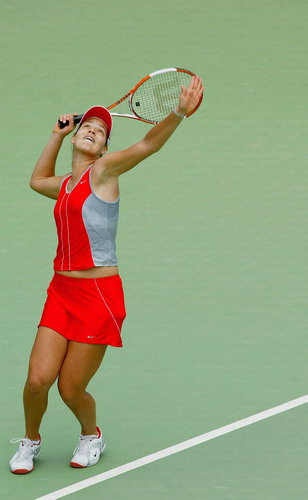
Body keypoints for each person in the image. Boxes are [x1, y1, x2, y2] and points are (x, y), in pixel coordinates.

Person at [9, 76, 203, 474]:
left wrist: (178, 112)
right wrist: (56, 136)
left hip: (98, 296)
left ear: (103, 149)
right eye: (87, 128)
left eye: (100, 133)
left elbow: (147, 145)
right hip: (61, 291)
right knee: (36, 381)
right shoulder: (65, 186)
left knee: (70, 388)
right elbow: (35, 181)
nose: (92, 132)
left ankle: (91, 434)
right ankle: (30, 442)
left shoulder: (104, 173)